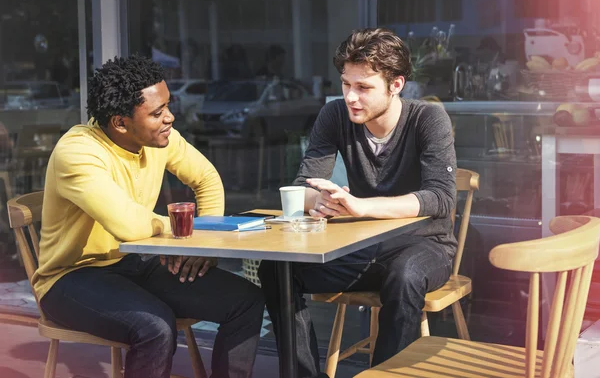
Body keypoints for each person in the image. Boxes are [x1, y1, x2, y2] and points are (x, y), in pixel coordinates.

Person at [32, 55, 265, 378]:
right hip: (70, 277)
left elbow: (206, 179)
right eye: (157, 112)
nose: (169, 117)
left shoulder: (158, 139)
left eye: (168, 105)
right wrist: (188, 234)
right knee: (155, 327)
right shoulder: (78, 152)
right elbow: (128, 224)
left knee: (246, 300)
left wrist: (206, 244)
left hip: (132, 262)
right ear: (120, 122)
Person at [259, 28, 457, 378]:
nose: (351, 97)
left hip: (427, 247)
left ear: (396, 84)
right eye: (346, 84)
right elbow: (302, 187)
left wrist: (361, 206)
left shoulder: (427, 119)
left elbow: (440, 198)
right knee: (277, 270)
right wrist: (321, 200)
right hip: (363, 249)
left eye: (364, 87)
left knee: (405, 274)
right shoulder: (335, 116)